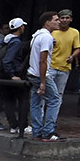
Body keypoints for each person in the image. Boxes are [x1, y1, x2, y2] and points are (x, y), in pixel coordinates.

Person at [28, 11, 64, 141]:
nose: (59, 22)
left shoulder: (37, 35)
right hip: (41, 74)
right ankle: (48, 131)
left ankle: (37, 131)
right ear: (47, 22)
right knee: (54, 99)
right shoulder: (47, 37)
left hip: (32, 72)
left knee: (36, 101)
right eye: (56, 20)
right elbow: (43, 60)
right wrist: (43, 81)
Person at [0, 18, 27, 133]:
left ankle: (13, 125)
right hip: (10, 74)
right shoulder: (16, 42)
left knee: (8, 100)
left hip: (2, 73)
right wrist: (12, 74)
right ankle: (19, 125)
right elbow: (8, 60)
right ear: (20, 27)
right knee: (20, 99)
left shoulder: (6, 40)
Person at [50, 9, 80, 97]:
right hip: (51, 65)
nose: (65, 20)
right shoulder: (53, 31)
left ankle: (55, 111)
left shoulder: (74, 32)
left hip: (65, 67)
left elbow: (77, 48)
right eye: (62, 18)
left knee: (59, 93)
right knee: (47, 92)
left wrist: (72, 56)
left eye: (67, 18)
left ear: (71, 19)